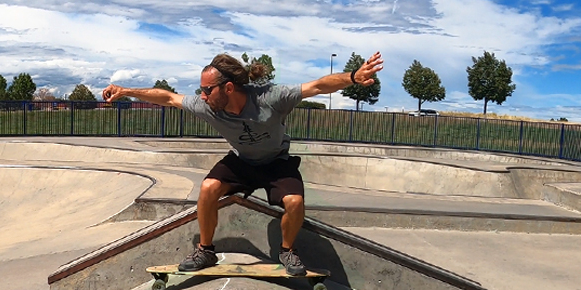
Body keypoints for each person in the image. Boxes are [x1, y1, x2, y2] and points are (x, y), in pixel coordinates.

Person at [102, 51, 383, 275]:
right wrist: (126, 90)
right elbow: (168, 97)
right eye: (201, 91)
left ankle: (287, 250)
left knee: (295, 203)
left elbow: (317, 86)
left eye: (207, 90)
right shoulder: (207, 105)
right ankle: (205, 250)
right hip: (241, 162)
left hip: (277, 162)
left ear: (228, 87)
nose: (202, 96)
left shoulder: (270, 97)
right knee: (209, 187)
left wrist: (354, 77)